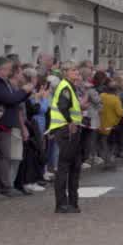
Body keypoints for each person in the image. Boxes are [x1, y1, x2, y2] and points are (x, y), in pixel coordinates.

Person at [48, 62, 84, 213]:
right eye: (73, 70)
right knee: (64, 167)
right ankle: (62, 203)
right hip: (66, 130)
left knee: (75, 166)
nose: (77, 72)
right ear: (65, 72)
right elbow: (63, 106)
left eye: (77, 70)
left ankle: (73, 202)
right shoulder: (65, 86)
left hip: (71, 129)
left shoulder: (70, 86)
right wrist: (70, 122)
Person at [0, 57, 31, 198]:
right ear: (2, 69)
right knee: (3, 157)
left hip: (6, 123)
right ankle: (4, 186)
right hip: (2, 124)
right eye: (9, 69)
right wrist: (23, 91)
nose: (11, 72)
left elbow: (16, 101)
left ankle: (4, 186)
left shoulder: (4, 83)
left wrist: (25, 93)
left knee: (4, 156)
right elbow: (10, 99)